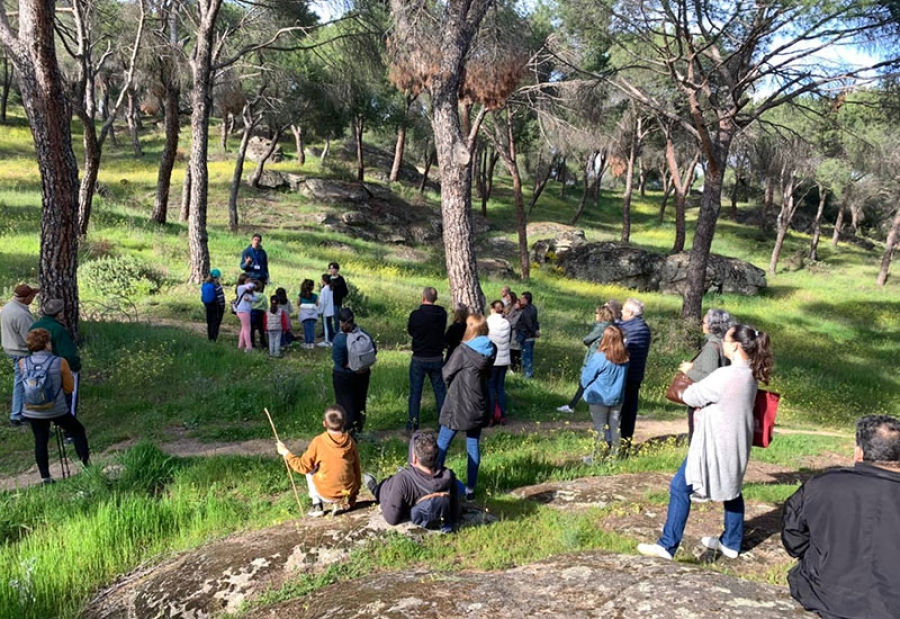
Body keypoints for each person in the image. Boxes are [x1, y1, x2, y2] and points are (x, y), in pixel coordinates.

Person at [637, 324, 774, 561]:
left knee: (680, 487)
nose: (723, 343)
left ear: (736, 345)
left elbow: (691, 395)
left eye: (727, 340)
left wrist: (692, 374)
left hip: (713, 442)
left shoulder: (725, 375)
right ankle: (731, 543)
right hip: (737, 441)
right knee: (732, 490)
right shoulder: (751, 374)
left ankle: (667, 545)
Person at [781, 415, 900, 619]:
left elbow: (793, 538)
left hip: (825, 595)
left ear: (859, 452)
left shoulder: (822, 485)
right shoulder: (822, 484)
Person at [437, 313, 497, 501]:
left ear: (470, 328)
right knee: (472, 445)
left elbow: (446, 373)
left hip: (458, 403)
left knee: (442, 444)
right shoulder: (491, 349)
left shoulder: (462, 350)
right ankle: (470, 489)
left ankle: (434, 483)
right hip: (479, 403)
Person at [19, 328, 90, 484]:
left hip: (32, 410)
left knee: (40, 440)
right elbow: (69, 388)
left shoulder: (23, 363)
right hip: (57, 409)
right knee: (78, 431)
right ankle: (86, 467)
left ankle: (46, 477)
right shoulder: (60, 362)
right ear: (46, 344)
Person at [365, 431, 462, 532]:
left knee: (385, 486)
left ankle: (374, 489)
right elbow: (456, 514)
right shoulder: (448, 475)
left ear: (414, 458)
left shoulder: (403, 479)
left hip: (388, 488)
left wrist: (383, 502)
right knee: (401, 476)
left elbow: (391, 519)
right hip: (418, 487)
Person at [276, 405, 361, 517]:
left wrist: (285, 453)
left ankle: (317, 505)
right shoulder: (350, 441)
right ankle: (341, 504)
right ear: (344, 422)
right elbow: (356, 468)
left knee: (310, 469)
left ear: (324, 423)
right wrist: (354, 495)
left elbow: (303, 466)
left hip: (327, 494)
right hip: (347, 493)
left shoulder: (318, 442)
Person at [558, 300, 621, 414]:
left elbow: (587, 339)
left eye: (596, 313)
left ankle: (573, 405)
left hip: (594, 357)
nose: (595, 315)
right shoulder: (612, 326)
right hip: (605, 357)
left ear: (602, 315)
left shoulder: (602, 326)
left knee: (584, 380)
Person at [679, 309, 734, 440]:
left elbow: (710, 378)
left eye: (703, 322)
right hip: (716, 402)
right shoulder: (724, 344)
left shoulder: (711, 346)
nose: (701, 325)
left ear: (711, 326)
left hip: (703, 402)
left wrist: (688, 370)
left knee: (696, 439)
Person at [581, 325, 630, 462]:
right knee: (615, 426)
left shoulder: (600, 357)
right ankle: (614, 456)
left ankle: (596, 457)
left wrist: (585, 387)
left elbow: (587, 376)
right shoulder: (625, 358)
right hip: (617, 397)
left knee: (599, 428)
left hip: (599, 398)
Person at [30, 298, 82, 419]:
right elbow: (68, 354)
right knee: (69, 397)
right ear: (59, 314)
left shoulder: (34, 327)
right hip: (59, 369)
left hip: (37, 369)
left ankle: (46, 424)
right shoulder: (58, 329)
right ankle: (69, 429)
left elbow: (30, 350)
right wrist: (76, 367)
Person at [406, 287, 448, 432]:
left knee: (415, 393)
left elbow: (411, 331)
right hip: (436, 356)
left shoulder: (416, 315)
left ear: (423, 297)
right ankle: (443, 424)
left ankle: (413, 424)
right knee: (440, 392)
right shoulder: (442, 314)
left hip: (419, 357)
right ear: (435, 298)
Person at [331, 308, 375, 434]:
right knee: (360, 402)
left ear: (340, 322)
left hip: (344, 376)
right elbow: (373, 351)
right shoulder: (364, 335)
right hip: (363, 374)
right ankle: (359, 428)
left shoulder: (339, 340)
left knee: (345, 405)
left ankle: (348, 433)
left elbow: (338, 360)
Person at [1, 283, 39, 425]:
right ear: (26, 298)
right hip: (21, 351)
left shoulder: (8, 307)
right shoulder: (22, 315)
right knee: (25, 382)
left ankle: (19, 412)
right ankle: (19, 414)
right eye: (32, 296)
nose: (33, 299)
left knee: (21, 381)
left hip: (10, 347)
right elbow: (30, 338)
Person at [618, 298, 651, 450]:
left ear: (630, 312)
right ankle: (626, 443)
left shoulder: (626, 328)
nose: (621, 312)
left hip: (624, 375)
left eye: (623, 310)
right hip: (637, 375)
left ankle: (612, 445)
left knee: (616, 411)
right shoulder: (644, 328)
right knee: (630, 412)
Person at [486, 300, 511, 424]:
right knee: (500, 388)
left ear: (493, 309)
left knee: (490, 387)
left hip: (492, 360)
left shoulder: (489, 321)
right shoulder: (506, 323)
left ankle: (490, 415)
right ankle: (502, 414)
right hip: (504, 359)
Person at [515, 292, 540, 379]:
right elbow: (535, 322)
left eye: (522, 298)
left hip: (526, 336)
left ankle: (528, 375)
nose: (520, 300)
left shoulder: (526, 311)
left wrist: (533, 332)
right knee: (529, 356)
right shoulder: (533, 308)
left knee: (526, 357)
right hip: (531, 337)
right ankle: (529, 373)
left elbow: (529, 325)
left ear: (526, 300)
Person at [200, 269, 226, 342]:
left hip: (208, 306)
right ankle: (214, 339)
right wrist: (223, 307)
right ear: (218, 277)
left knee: (210, 322)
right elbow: (221, 298)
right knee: (216, 323)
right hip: (217, 307)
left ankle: (209, 338)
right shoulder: (217, 286)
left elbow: (202, 297)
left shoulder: (205, 284)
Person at [234, 277, 258, 352]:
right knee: (247, 329)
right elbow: (250, 286)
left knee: (244, 328)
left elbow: (256, 299)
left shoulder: (250, 292)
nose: (249, 282)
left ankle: (240, 345)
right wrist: (250, 285)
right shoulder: (240, 288)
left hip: (246, 311)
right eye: (247, 281)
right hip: (243, 311)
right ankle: (248, 347)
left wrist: (249, 298)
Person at [328, 262, 349, 338]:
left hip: (336, 302)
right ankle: (328, 333)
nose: (331, 270)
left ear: (337, 269)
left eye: (333, 268)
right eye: (330, 268)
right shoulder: (328, 278)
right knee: (327, 319)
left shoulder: (340, 279)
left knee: (336, 318)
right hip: (328, 302)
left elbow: (345, 291)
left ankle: (337, 332)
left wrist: (340, 296)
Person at [297, 279, 319, 350]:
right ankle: (312, 343)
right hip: (312, 315)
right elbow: (317, 304)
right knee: (312, 329)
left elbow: (298, 304)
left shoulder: (300, 296)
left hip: (304, 315)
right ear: (312, 287)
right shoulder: (315, 296)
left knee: (306, 329)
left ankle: (307, 343)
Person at [504, 291, 522, 372]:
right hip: (509, 332)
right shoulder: (508, 306)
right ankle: (512, 367)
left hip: (515, 333)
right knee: (511, 351)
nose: (506, 299)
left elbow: (513, 321)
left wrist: (505, 321)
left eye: (508, 297)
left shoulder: (517, 310)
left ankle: (516, 368)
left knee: (515, 352)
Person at [249, 280, 268, 349]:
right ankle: (263, 343)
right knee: (261, 329)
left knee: (251, 329)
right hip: (260, 313)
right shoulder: (263, 296)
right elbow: (266, 306)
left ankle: (252, 343)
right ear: (261, 288)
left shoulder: (250, 296)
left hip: (251, 313)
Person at [317, 274, 334, 347]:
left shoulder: (324, 289)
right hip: (330, 310)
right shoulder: (330, 288)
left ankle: (327, 341)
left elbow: (322, 302)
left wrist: (319, 310)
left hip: (326, 311)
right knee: (329, 325)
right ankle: (330, 339)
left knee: (326, 326)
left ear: (324, 281)